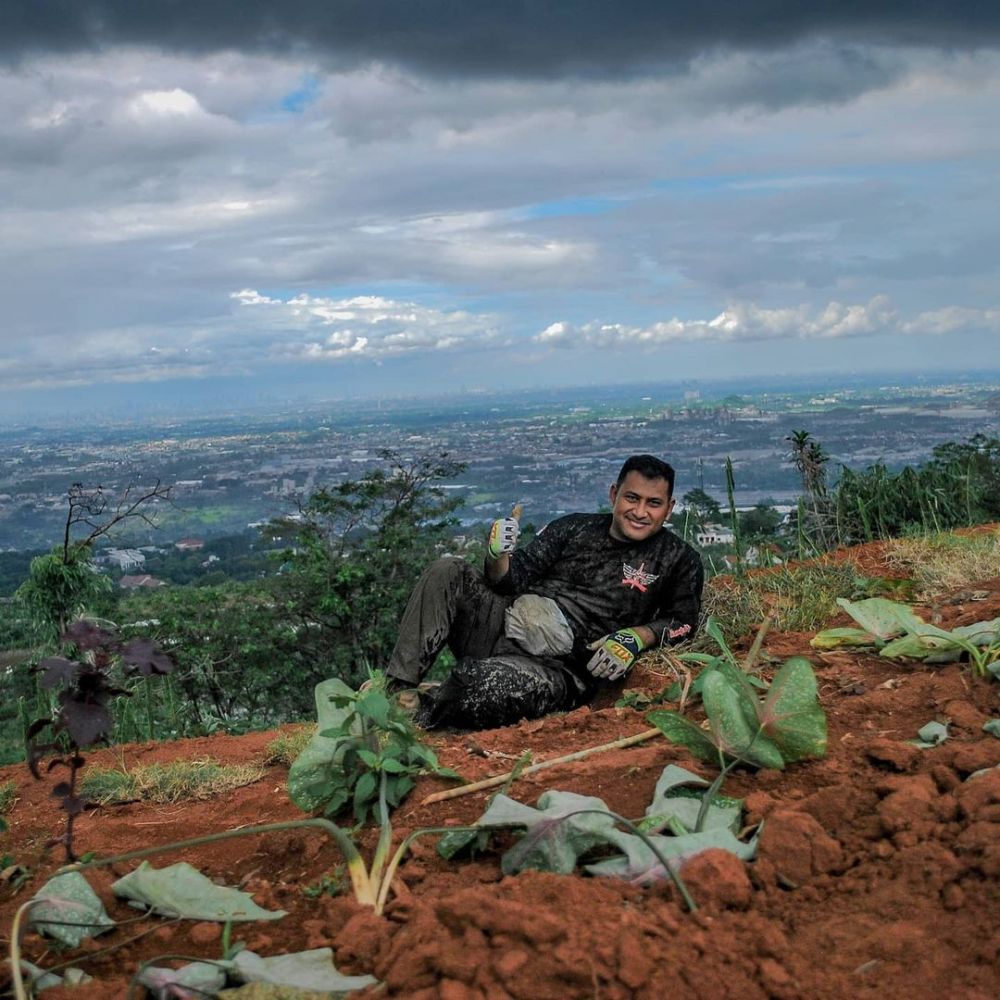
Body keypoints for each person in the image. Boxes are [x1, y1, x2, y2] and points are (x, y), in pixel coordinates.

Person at [386, 454, 704, 729]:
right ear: (613, 495)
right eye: (632, 498)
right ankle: (397, 691)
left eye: (654, 503)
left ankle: (424, 713)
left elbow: (685, 623)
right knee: (447, 570)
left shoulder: (679, 559)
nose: (640, 511)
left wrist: (636, 637)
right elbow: (508, 580)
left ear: (669, 508)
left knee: (487, 686)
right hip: (501, 626)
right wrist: (498, 557)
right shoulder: (573, 527)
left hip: (559, 670)